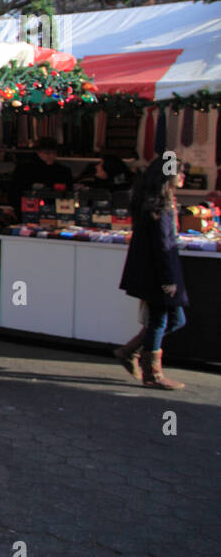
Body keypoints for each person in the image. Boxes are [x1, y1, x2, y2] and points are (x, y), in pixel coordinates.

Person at [115, 156, 188, 389]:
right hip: (157, 273)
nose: (183, 177)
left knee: (174, 319)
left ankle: (130, 351)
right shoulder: (159, 205)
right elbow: (163, 244)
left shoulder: (149, 201)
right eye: (180, 172)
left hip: (150, 270)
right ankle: (152, 373)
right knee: (161, 319)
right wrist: (168, 280)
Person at [9, 136, 74, 214]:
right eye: (47, 153)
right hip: (28, 211)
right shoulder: (25, 170)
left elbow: (69, 194)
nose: (51, 156)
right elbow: (14, 194)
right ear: (38, 152)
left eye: (54, 153)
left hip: (57, 212)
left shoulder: (63, 171)